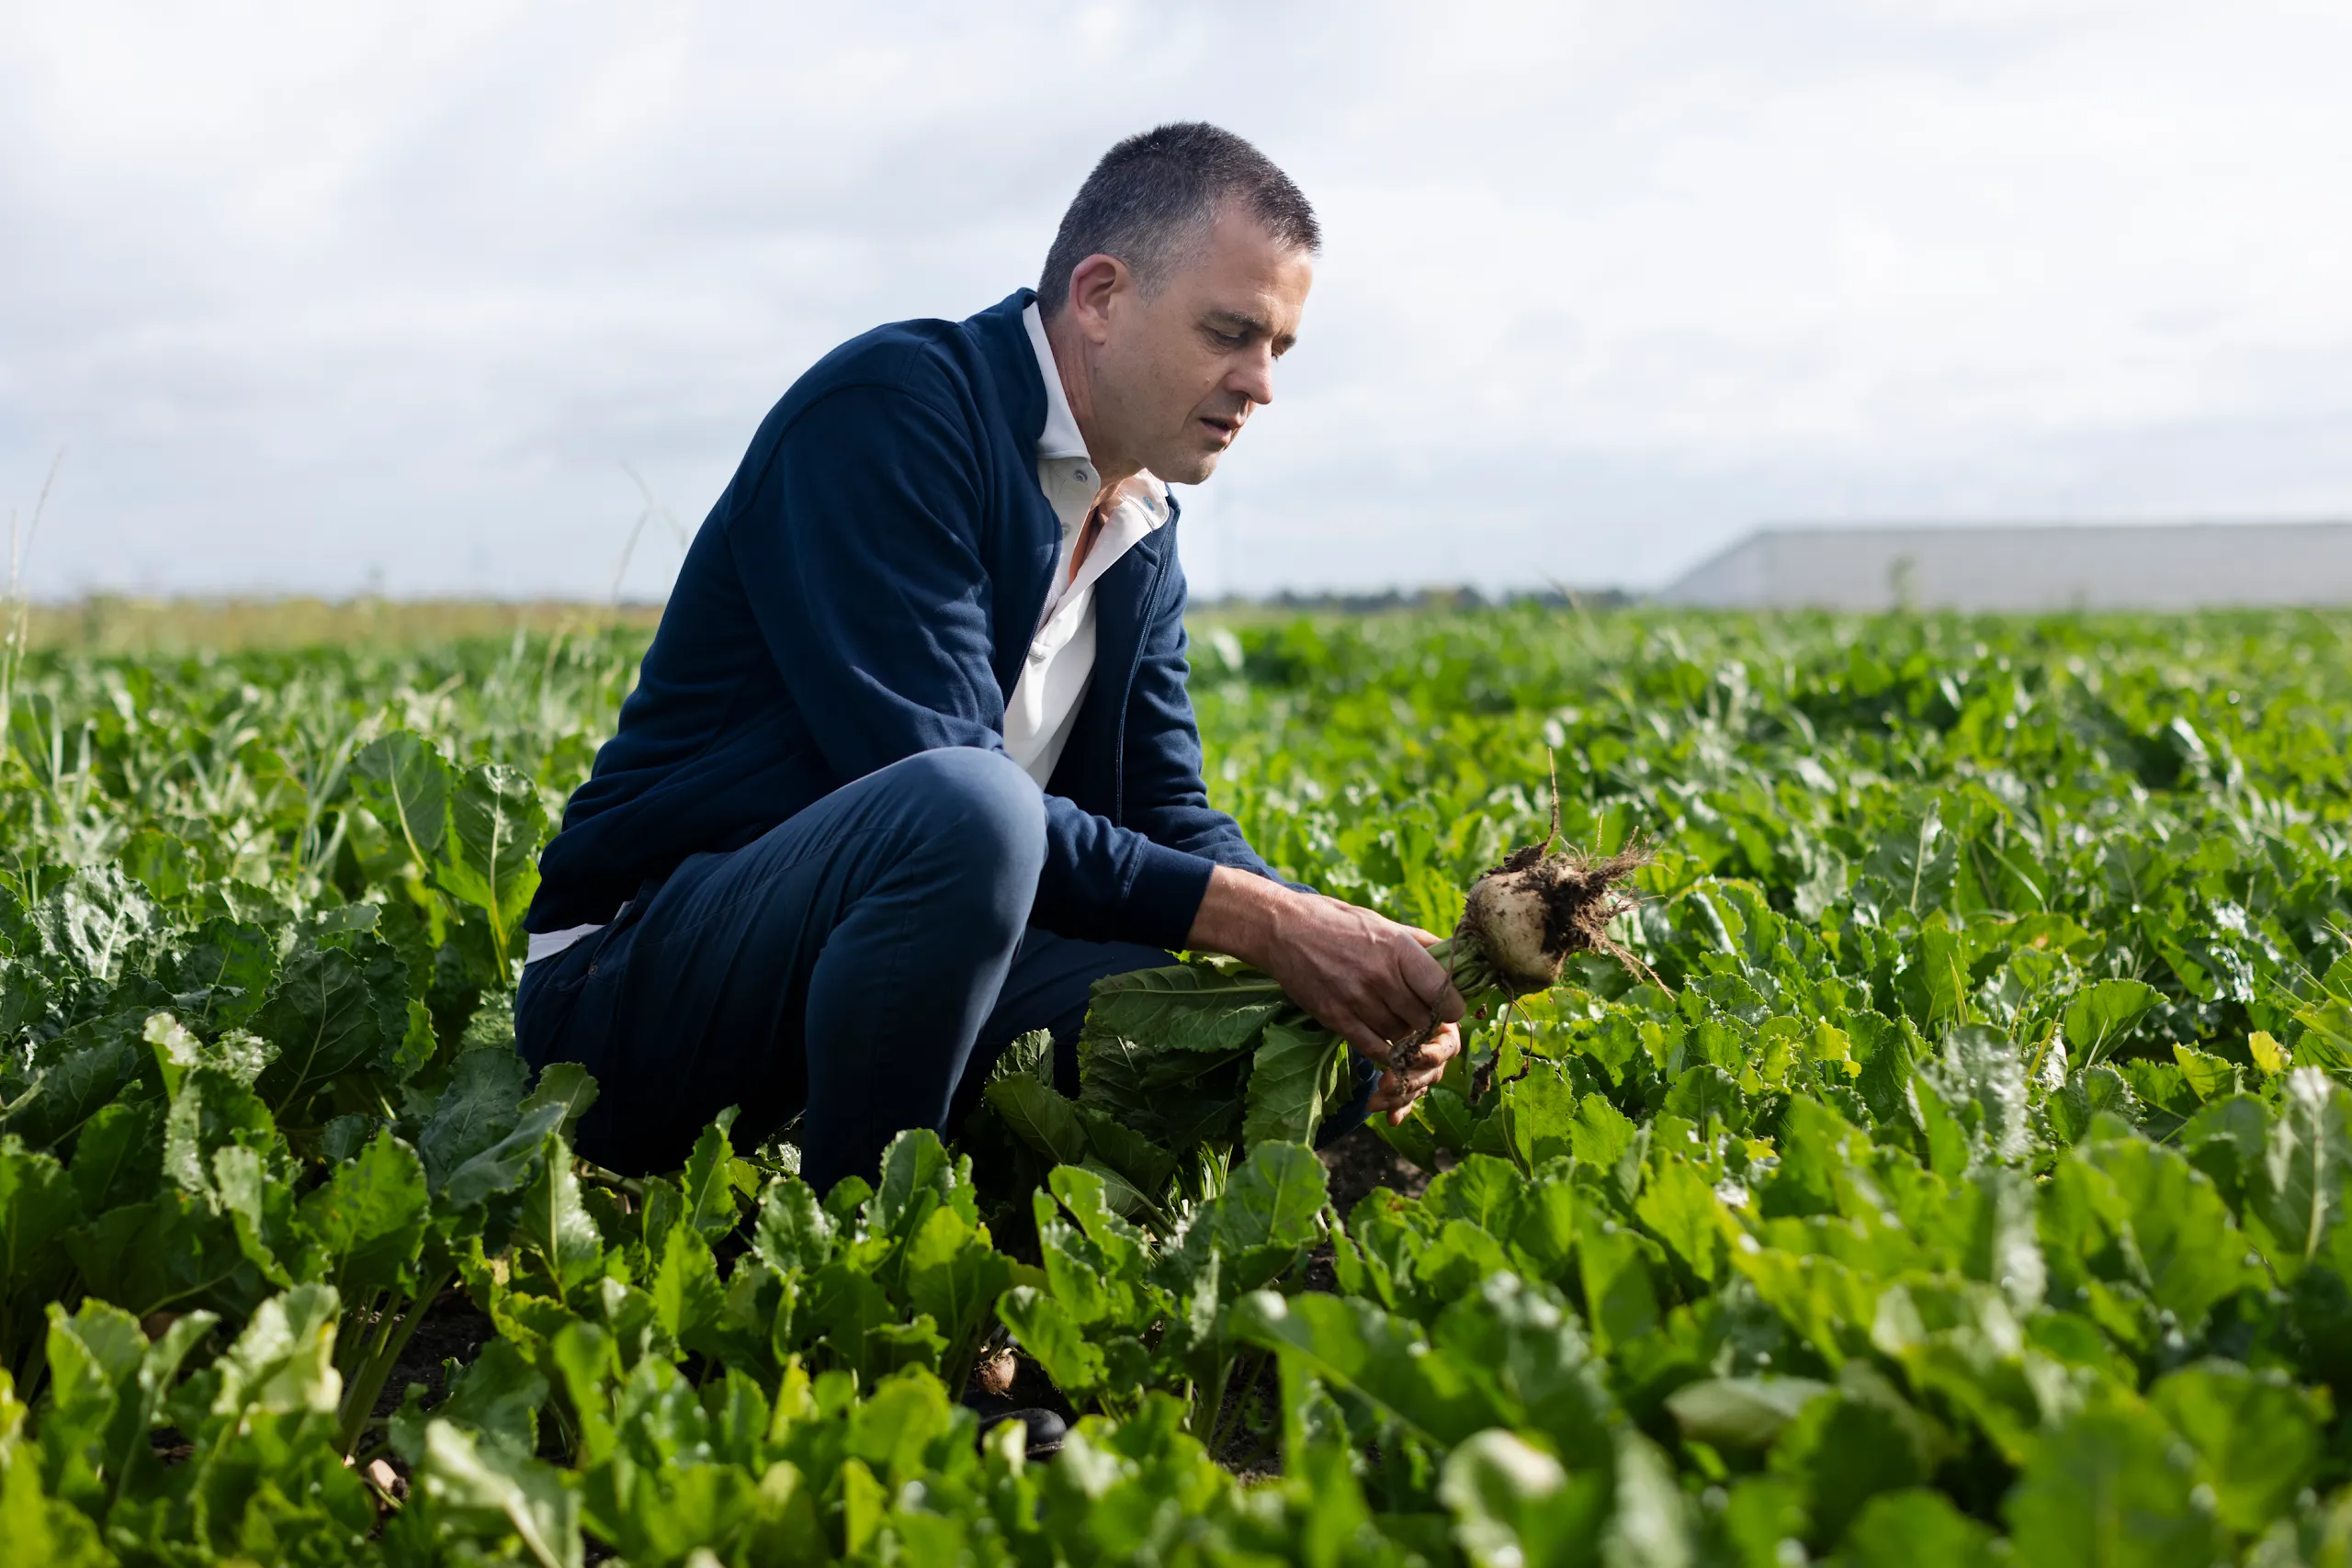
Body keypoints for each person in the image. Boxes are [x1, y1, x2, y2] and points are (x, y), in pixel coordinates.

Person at [516, 122, 1463, 1199]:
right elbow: (936, 778)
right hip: (638, 990)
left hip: (900, 977)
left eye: (1277, 349)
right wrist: (1269, 924)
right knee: (975, 809)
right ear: (1101, 297)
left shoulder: (1137, 518)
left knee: (1293, 1025)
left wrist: (1349, 952)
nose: (1259, 385)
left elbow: (1168, 813)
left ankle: (992, 1214)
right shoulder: (892, 414)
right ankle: (869, 1259)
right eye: (1229, 334)